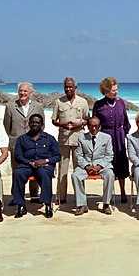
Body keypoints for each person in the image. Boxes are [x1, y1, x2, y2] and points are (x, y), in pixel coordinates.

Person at [12, 113, 60, 219]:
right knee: (18, 173)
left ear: (42, 124)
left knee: (44, 173)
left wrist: (45, 160)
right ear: (29, 123)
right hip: (27, 164)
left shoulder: (49, 138)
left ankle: (47, 204)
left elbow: (57, 156)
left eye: (37, 122)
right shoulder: (22, 139)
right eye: (32, 122)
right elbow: (18, 156)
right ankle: (20, 205)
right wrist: (30, 163)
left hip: (44, 165)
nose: (35, 124)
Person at [3, 82, 44, 203]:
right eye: (20, 91)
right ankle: (16, 196)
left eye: (25, 91)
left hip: (34, 144)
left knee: (34, 168)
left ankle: (34, 194)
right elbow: (7, 125)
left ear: (31, 93)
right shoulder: (10, 106)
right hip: (16, 145)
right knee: (16, 171)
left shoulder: (38, 106)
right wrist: (14, 137)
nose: (22, 93)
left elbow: (42, 124)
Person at [51, 77, 89, 205]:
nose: (68, 89)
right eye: (66, 87)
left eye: (70, 87)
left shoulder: (82, 102)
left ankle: (80, 197)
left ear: (75, 88)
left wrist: (78, 125)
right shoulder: (58, 102)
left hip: (79, 138)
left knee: (79, 169)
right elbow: (54, 120)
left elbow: (86, 119)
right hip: (64, 138)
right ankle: (61, 197)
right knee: (62, 168)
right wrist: (63, 124)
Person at [92, 77, 131, 203]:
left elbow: (126, 121)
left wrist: (124, 132)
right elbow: (94, 122)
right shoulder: (98, 104)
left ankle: (123, 191)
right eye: (113, 90)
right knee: (108, 162)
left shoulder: (121, 103)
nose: (116, 92)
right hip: (105, 135)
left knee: (121, 161)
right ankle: (109, 193)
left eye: (117, 89)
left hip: (119, 135)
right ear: (106, 90)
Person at [72, 116, 115, 215]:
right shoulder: (81, 138)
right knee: (75, 175)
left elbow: (109, 155)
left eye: (96, 126)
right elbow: (78, 155)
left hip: (102, 166)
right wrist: (87, 167)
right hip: (86, 165)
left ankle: (106, 204)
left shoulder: (107, 137)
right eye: (91, 126)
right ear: (88, 127)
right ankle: (82, 205)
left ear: (100, 127)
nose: (93, 128)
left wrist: (99, 166)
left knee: (110, 175)